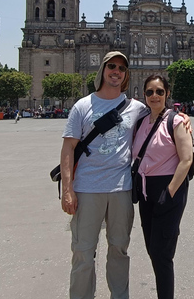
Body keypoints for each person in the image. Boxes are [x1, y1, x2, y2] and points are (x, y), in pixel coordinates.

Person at [59, 51, 151, 299]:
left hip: (121, 190)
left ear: (126, 75)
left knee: (119, 250)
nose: (116, 71)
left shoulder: (137, 108)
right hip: (87, 190)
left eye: (121, 68)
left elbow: (160, 118)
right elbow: (68, 148)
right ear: (102, 69)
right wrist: (67, 190)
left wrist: (182, 119)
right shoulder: (83, 106)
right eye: (112, 66)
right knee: (83, 252)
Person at [132, 75, 194, 299]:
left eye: (159, 91)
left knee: (162, 254)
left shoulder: (176, 121)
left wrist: (168, 193)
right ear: (144, 95)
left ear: (167, 94)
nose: (154, 96)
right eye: (150, 92)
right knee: (153, 250)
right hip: (145, 194)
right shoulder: (140, 120)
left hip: (168, 192)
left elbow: (186, 160)